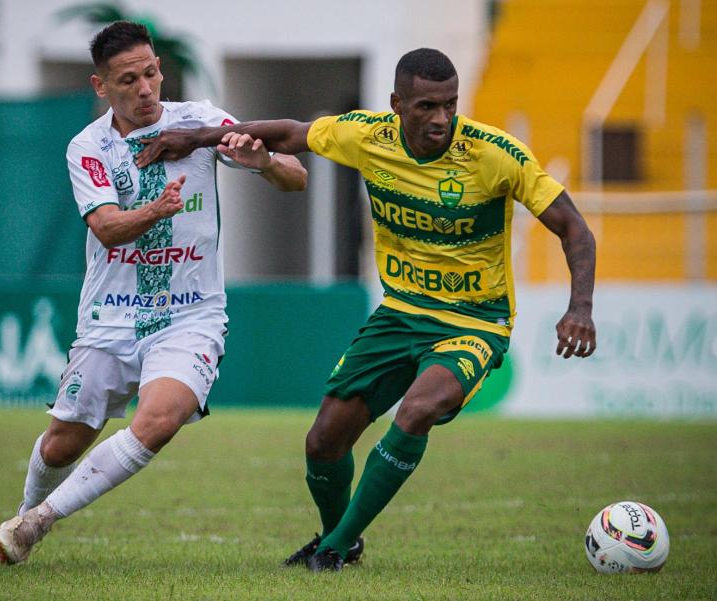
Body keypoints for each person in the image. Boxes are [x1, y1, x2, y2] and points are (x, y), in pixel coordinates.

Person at [135, 47, 597, 572]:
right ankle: (343, 541)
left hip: (473, 322)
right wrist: (196, 137)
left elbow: (574, 227)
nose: (441, 119)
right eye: (426, 106)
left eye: (450, 105)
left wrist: (579, 306)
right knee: (323, 442)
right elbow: (290, 132)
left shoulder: (496, 154)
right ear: (397, 103)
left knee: (417, 410)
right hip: (398, 314)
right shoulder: (368, 135)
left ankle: (332, 549)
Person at [0, 21, 306, 565]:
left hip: (192, 315)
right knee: (63, 443)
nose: (145, 88)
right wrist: (156, 211)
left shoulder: (200, 121)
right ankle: (25, 509)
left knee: (159, 420)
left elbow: (296, 176)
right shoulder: (88, 148)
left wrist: (267, 163)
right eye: (128, 79)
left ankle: (37, 523)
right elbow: (107, 228)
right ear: (101, 87)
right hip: (111, 318)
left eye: (151, 72)